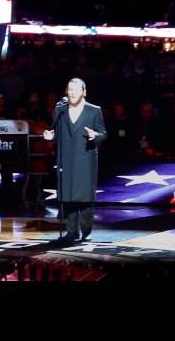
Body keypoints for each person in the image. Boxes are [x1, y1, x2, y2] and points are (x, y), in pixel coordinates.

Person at [43, 78, 107, 244]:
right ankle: (71, 232)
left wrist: (96, 136)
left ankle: (86, 231)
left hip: (85, 159)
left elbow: (103, 133)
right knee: (68, 196)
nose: (72, 92)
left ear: (84, 92)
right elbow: (56, 131)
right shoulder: (61, 110)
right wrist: (51, 136)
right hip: (67, 158)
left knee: (85, 198)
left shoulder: (94, 110)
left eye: (76, 89)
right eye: (69, 89)